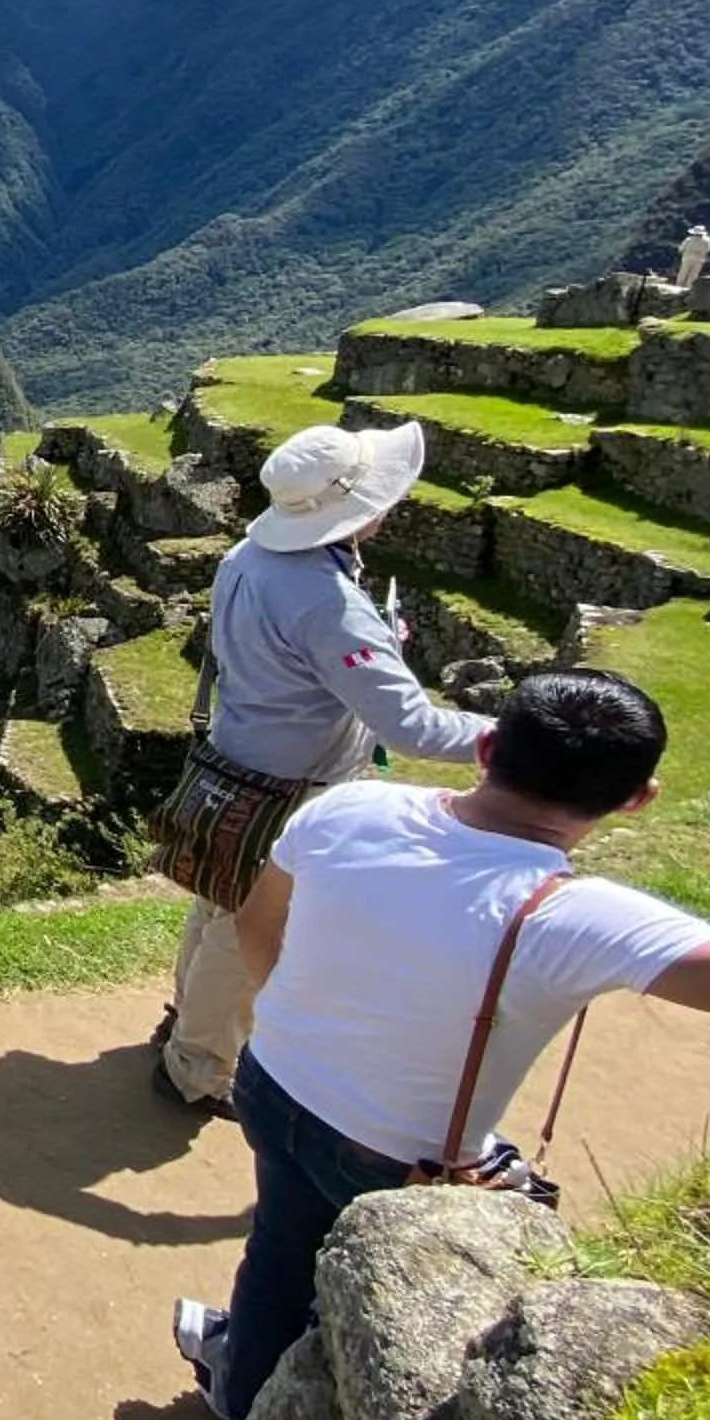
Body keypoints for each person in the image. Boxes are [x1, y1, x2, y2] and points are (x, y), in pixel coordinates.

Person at [172, 668, 710, 1420]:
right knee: (337, 1296)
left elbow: (256, 926)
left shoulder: (349, 809)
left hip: (274, 1079)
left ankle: (240, 1370)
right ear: (639, 798)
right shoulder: (573, 916)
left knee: (281, 1242)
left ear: (489, 748)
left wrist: (301, 1024)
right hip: (390, 1149)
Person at [155, 419, 491, 1114]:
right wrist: (512, 736)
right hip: (293, 788)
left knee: (217, 902)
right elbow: (413, 726)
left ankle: (186, 1023)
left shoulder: (248, 557)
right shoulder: (328, 602)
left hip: (233, 759)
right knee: (248, 924)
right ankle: (197, 1064)